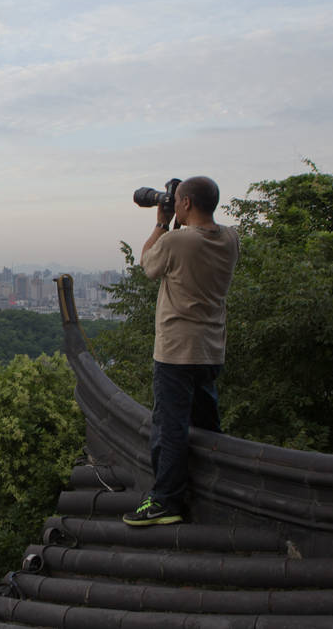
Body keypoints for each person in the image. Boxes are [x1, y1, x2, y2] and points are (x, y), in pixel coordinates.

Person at [123, 176, 240, 526]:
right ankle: (217, 486)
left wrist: (161, 221)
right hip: (211, 348)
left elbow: (147, 265)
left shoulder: (176, 240)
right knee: (206, 422)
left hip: (176, 350)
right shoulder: (231, 238)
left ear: (184, 204)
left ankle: (165, 501)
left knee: (169, 427)